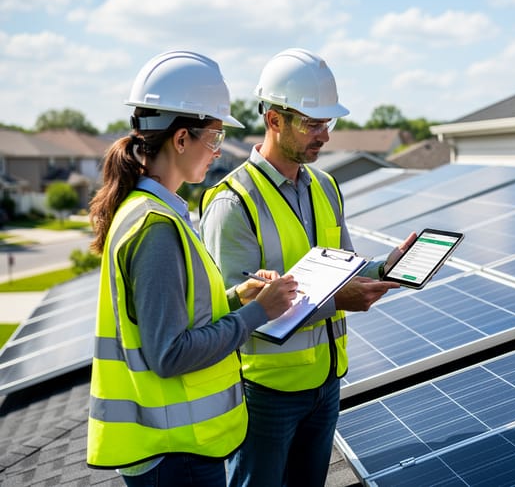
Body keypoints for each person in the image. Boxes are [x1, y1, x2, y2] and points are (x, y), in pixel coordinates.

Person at [199, 48, 416, 487]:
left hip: (327, 383)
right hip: (266, 395)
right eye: (312, 123)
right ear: (274, 120)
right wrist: (339, 300)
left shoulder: (326, 185)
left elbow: (345, 268)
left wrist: (382, 267)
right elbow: (236, 313)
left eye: (327, 123)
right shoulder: (232, 202)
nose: (325, 135)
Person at [86, 50, 299, 486]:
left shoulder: (148, 213)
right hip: (173, 455)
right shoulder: (155, 228)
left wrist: (237, 298)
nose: (218, 152)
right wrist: (259, 313)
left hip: (172, 450)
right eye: (215, 138)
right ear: (182, 139)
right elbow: (171, 354)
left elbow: (173, 318)